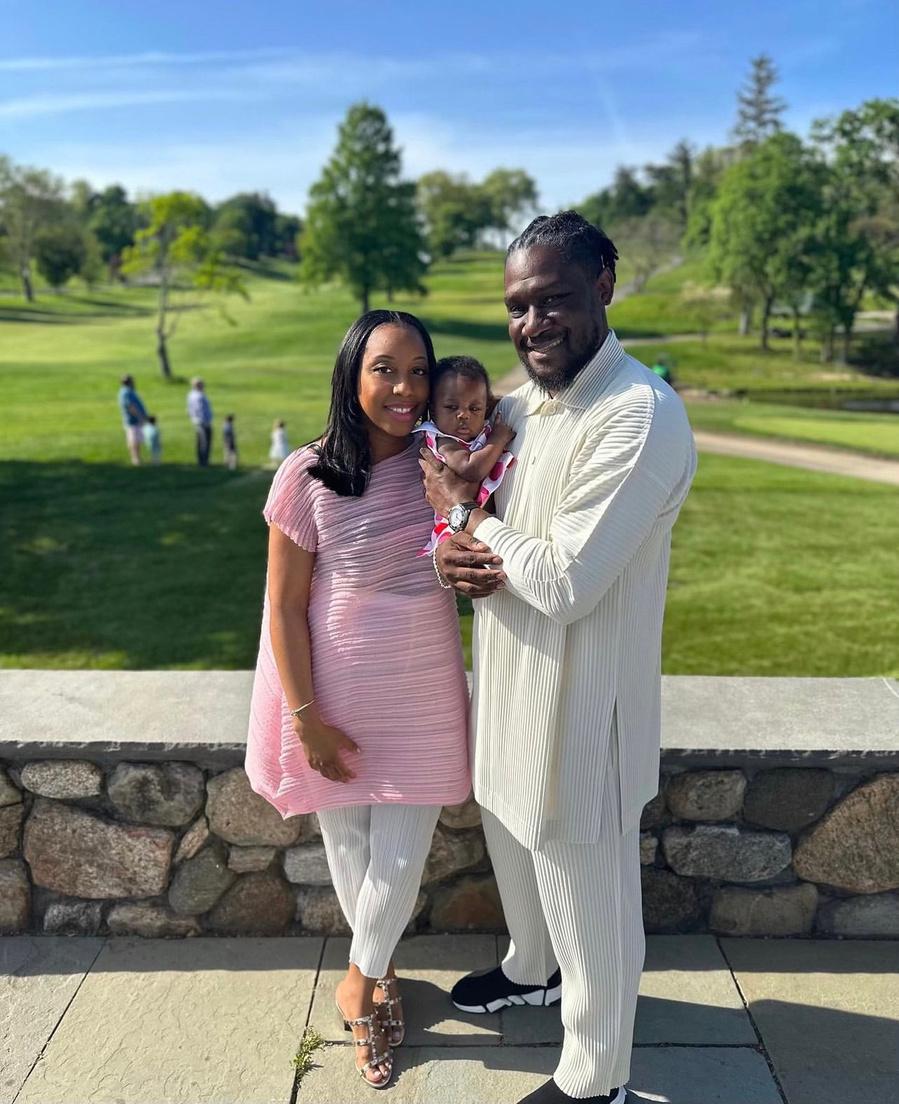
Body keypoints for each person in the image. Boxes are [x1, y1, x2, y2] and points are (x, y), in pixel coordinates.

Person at [421, 212, 697, 1104]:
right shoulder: (521, 406)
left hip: (584, 714)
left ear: (602, 287)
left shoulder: (638, 414)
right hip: (510, 686)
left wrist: (466, 518)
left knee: (593, 907)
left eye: (553, 301)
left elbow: (567, 581)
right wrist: (449, 549)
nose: (532, 324)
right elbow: (462, 509)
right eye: (517, 307)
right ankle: (530, 969)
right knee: (513, 843)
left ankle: (594, 1078)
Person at [245, 310, 470, 1090]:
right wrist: (306, 718)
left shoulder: (442, 463)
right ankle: (379, 971)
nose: (405, 388)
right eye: (385, 370)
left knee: (400, 854)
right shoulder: (306, 474)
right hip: (335, 688)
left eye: (418, 371)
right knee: (349, 849)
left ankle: (358, 978)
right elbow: (283, 606)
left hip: (424, 686)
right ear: (351, 374)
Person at [414, 355, 515, 555]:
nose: (464, 415)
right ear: (432, 408)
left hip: (481, 523)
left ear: (486, 409)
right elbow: (471, 469)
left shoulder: (476, 433)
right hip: (457, 529)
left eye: (474, 408)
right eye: (451, 407)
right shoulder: (443, 440)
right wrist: (498, 438)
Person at [117, 375, 148, 465]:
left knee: (136, 440)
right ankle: (136, 459)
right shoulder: (126, 392)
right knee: (134, 441)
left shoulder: (128, 391)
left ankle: (137, 458)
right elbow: (130, 406)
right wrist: (140, 417)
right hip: (132, 420)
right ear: (129, 382)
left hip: (134, 420)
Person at [186, 377, 213, 466]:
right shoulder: (199, 396)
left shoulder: (191, 395)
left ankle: (201, 460)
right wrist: (205, 421)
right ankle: (204, 461)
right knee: (204, 442)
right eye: (202, 384)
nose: (204, 386)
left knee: (200, 441)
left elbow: (189, 409)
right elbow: (200, 410)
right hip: (203, 422)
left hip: (197, 421)